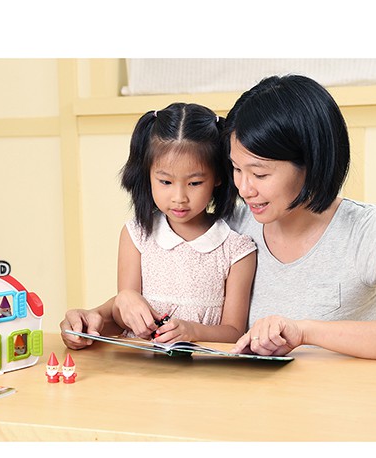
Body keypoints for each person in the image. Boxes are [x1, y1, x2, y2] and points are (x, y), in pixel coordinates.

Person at [61, 75, 376, 360]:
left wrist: (305, 332)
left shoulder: (369, 232)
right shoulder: (231, 225)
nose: (244, 189)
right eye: (235, 169)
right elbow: (152, 305)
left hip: (336, 404)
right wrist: (94, 318)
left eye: (260, 174)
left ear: (313, 161)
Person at [63, 102, 256, 348]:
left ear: (218, 176)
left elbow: (234, 332)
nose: (179, 197)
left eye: (194, 183)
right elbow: (124, 318)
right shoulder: (137, 235)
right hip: (141, 362)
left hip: (203, 366)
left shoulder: (236, 249)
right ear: (148, 174)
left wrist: (192, 331)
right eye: (165, 182)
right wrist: (124, 300)